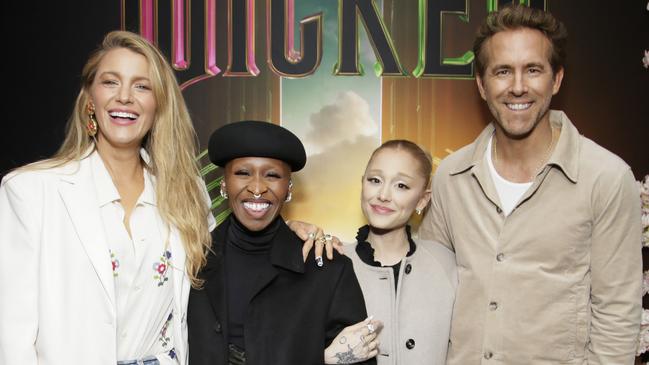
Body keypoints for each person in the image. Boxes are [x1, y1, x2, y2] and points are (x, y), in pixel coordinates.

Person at [0, 31, 332, 365]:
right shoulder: (31, 191)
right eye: (110, 82)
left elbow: (230, 255)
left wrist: (290, 231)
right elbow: (12, 333)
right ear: (90, 98)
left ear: (158, 103)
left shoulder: (186, 192)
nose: (125, 97)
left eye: (142, 86)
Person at [419, 4, 642, 363]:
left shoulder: (606, 178)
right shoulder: (452, 175)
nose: (518, 87)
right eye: (503, 71)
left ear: (556, 79)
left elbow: (616, 316)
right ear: (481, 83)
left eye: (533, 70)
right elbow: (423, 281)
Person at [187, 120, 378, 365]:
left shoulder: (329, 269)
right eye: (243, 173)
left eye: (272, 175)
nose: (257, 188)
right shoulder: (191, 257)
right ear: (224, 183)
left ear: (288, 188)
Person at [342, 140, 457, 364]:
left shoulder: (447, 264)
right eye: (375, 180)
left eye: (401, 185)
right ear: (362, 184)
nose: (383, 195)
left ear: (422, 199)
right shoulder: (332, 262)